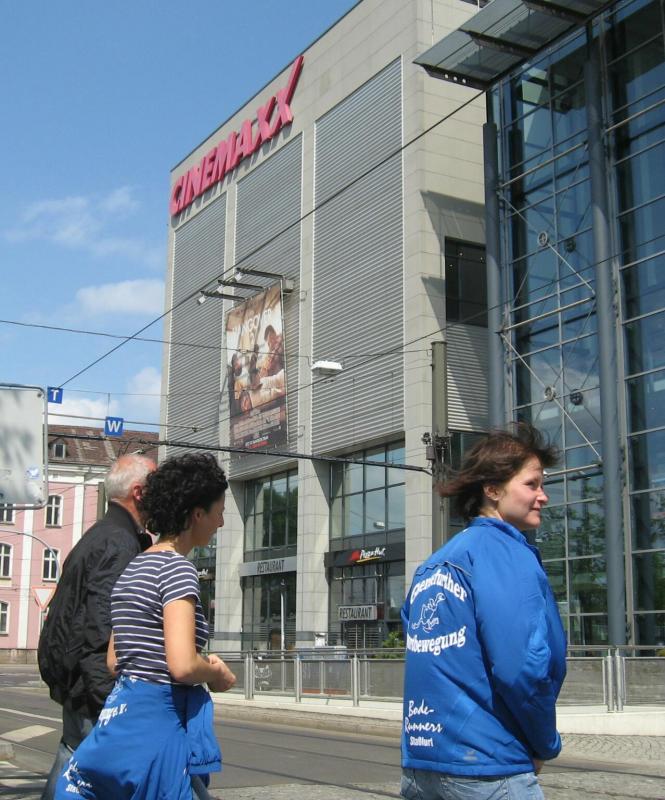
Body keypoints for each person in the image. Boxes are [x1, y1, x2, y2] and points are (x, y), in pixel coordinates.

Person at [55, 452, 236, 800]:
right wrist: (215, 671)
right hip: (159, 724)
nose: (222, 522)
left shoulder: (134, 567)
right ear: (197, 514)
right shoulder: (178, 570)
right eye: (219, 511)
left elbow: (114, 661)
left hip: (121, 718)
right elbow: (183, 666)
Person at [400, 423, 567, 800]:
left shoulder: (432, 566)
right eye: (532, 484)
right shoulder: (505, 554)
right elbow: (522, 668)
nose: (543, 496)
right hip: (489, 767)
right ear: (492, 490)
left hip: (422, 764)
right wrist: (544, 742)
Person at [38, 453, 156, 800]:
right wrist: (111, 703)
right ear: (139, 492)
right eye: (158, 484)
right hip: (93, 693)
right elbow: (102, 628)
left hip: (78, 686)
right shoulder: (118, 543)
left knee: (71, 764)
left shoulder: (100, 535)